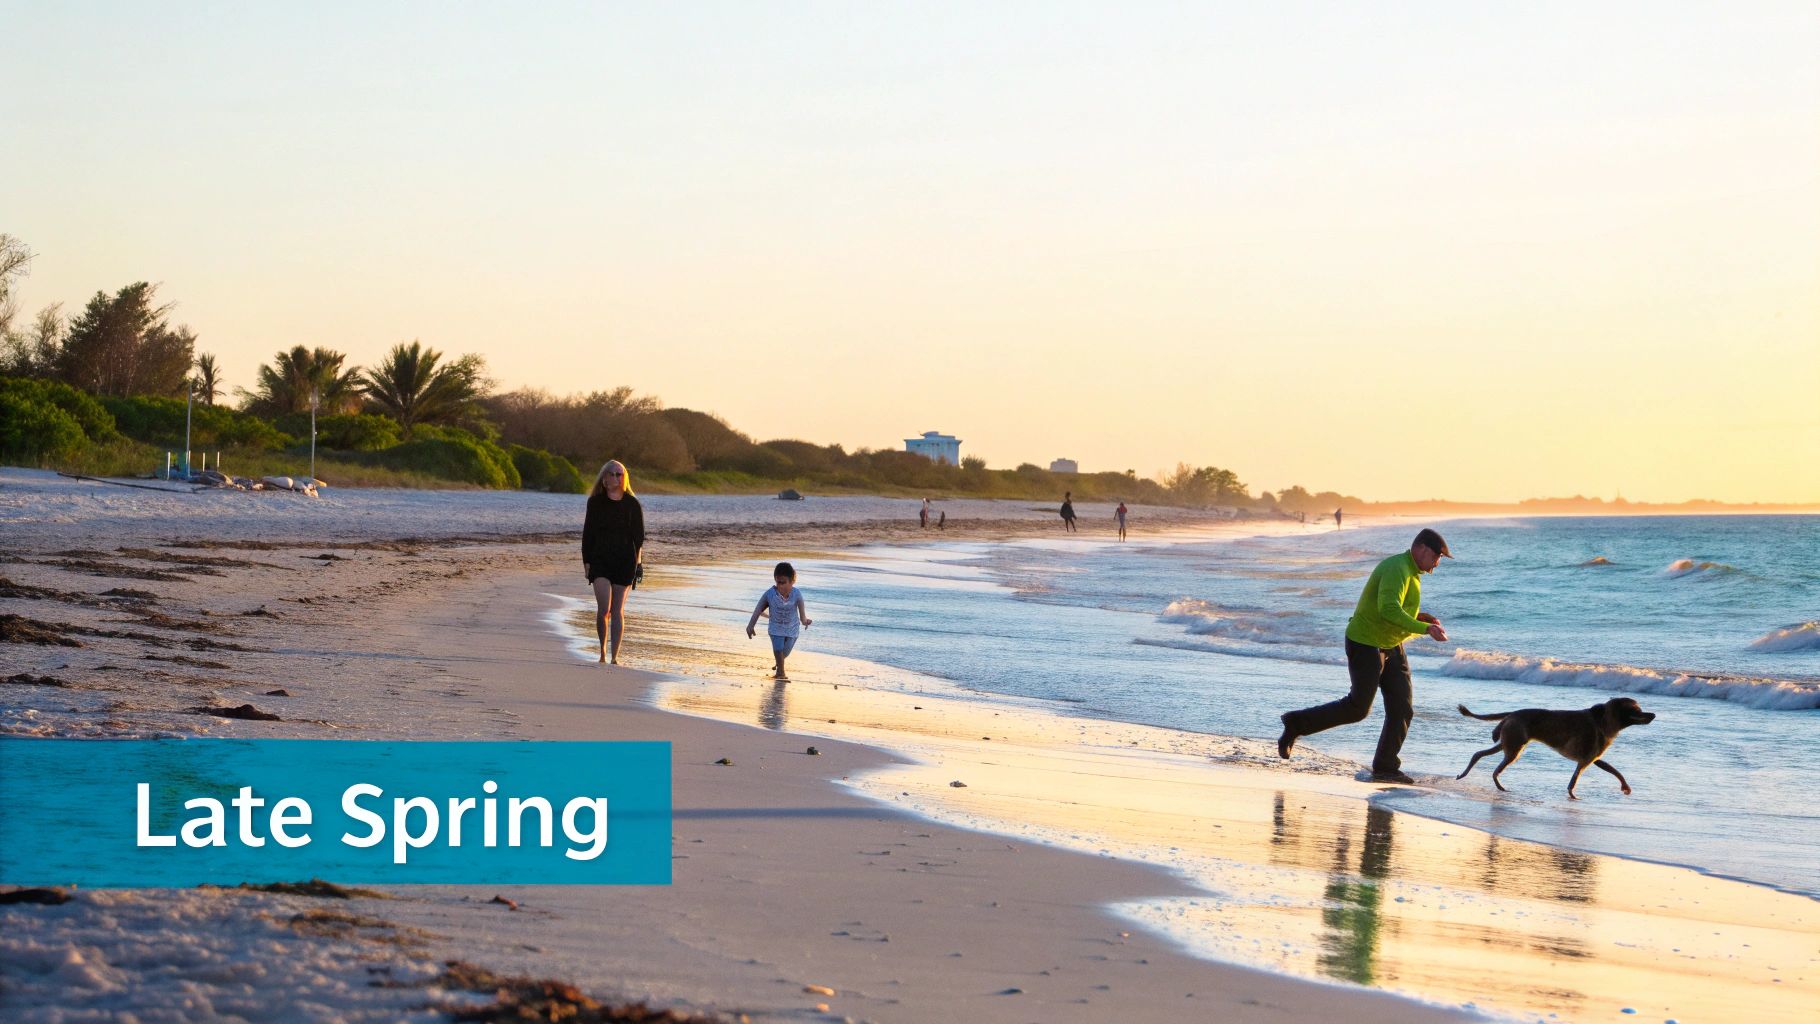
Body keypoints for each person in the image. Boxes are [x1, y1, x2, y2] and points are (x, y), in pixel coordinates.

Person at [1276, 528, 1453, 783]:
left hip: (1391, 646)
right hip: (1365, 643)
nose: (1437, 564)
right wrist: (1425, 628)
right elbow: (1388, 610)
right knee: (1357, 708)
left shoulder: (1412, 572)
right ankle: (1295, 723)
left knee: (1402, 708)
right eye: (1437, 557)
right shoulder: (1396, 568)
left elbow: (1397, 612)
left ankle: (1385, 766)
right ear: (1423, 549)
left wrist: (1420, 618)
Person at [582, 460, 645, 665]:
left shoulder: (632, 504)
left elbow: (639, 538)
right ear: (604, 476)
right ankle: (601, 652)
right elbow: (588, 534)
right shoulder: (595, 503)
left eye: (620, 474)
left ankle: (615, 657)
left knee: (617, 610)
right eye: (613, 474)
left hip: (625, 560)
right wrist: (587, 562)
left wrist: (639, 564)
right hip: (600, 560)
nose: (617, 478)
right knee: (604, 609)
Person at [747, 561, 812, 680]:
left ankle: (779, 664)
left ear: (792, 581)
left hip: (792, 629)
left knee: (784, 653)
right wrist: (751, 625)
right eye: (778, 582)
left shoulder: (797, 594)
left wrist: (805, 621)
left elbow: (802, 615)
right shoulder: (770, 594)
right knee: (778, 649)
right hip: (775, 628)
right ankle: (781, 673)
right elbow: (758, 609)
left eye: (783, 582)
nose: (780, 586)